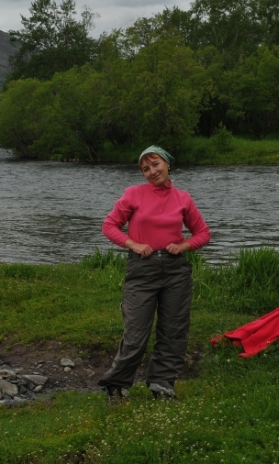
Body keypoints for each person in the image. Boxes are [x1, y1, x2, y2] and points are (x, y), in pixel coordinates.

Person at [99, 145, 210, 403]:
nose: (151, 171)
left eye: (155, 164)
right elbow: (109, 225)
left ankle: (162, 384)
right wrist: (134, 244)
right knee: (136, 331)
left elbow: (203, 233)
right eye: (145, 168)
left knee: (174, 330)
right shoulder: (133, 194)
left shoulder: (183, 198)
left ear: (168, 164)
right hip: (142, 269)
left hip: (175, 270)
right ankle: (116, 385)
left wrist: (184, 245)